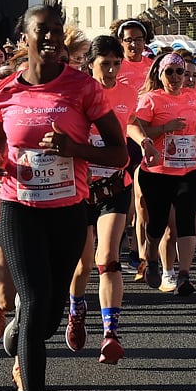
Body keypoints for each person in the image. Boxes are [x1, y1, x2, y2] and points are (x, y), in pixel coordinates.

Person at [0, 2, 126, 391]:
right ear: (23, 38)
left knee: (48, 312)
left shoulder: (83, 88)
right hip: (18, 207)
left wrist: (75, 147)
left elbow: (120, 154)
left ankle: (24, 331)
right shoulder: (2, 90)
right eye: (41, 31)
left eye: (56, 31)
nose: (50, 38)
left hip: (67, 209)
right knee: (38, 300)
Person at [68, 34, 142, 362]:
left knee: (108, 258)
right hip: (80, 189)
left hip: (114, 185)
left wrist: (145, 143)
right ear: (91, 64)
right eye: (104, 64)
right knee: (82, 265)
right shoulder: (78, 93)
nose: (110, 71)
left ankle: (110, 332)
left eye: (115, 64)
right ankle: (76, 308)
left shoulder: (127, 93)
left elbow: (131, 124)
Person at [130, 49, 196, 295]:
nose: (176, 77)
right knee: (158, 224)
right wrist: (160, 132)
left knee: (186, 221)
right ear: (160, 74)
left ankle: (184, 274)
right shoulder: (151, 98)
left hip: (190, 168)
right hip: (158, 171)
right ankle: (152, 257)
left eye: (180, 72)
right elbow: (133, 125)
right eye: (170, 72)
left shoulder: (193, 97)